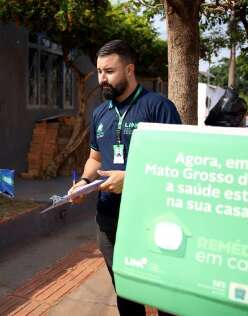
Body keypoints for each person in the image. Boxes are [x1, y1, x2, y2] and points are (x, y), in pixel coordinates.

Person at [69, 40, 181, 316]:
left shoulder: (158, 107)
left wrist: (130, 179)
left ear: (129, 69)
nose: (102, 79)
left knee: (162, 290)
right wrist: (83, 182)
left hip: (151, 218)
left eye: (109, 71)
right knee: (125, 292)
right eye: (99, 72)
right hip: (109, 218)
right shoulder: (100, 113)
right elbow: (95, 158)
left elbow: (176, 163)